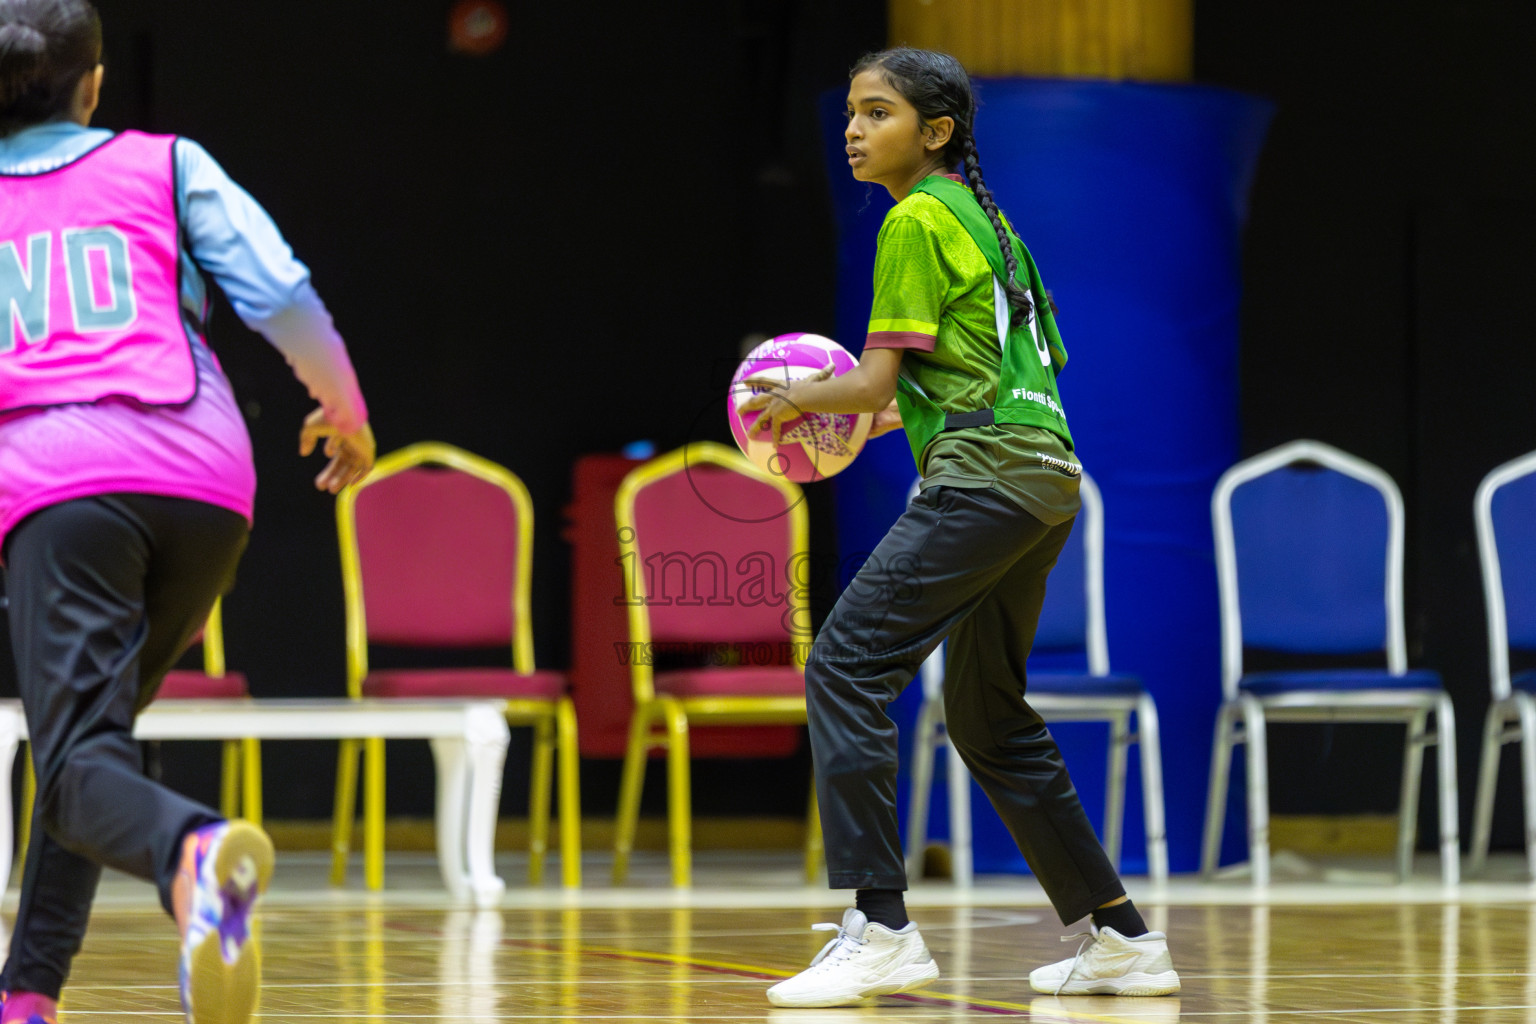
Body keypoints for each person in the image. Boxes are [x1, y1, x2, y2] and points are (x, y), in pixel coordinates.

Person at [740, 47, 1180, 1007]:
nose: (854, 129)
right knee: (989, 718)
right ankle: (1122, 941)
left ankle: (880, 924)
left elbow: (869, 380)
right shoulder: (996, 226)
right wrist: (872, 410)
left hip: (983, 483)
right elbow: (988, 379)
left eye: (878, 112)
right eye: (850, 112)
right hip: (1046, 476)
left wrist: (793, 400)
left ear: (935, 132)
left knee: (846, 664)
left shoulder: (915, 219)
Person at [0, 2, 374, 1022]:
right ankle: (28, 994)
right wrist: (343, 412)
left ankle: (196, 853)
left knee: (78, 757)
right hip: (208, 485)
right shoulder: (166, 164)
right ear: (95, 82)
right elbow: (280, 291)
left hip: (61, 489)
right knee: (87, 745)